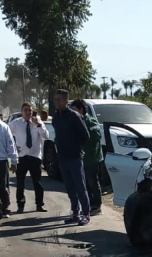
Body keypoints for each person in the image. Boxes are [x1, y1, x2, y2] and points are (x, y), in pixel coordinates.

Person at [52, 89, 91, 226]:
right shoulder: (56, 116)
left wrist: (72, 142)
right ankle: (75, 213)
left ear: (66, 101)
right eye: (55, 99)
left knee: (80, 186)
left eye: (59, 100)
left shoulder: (74, 116)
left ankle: (86, 213)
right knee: (69, 188)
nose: (56, 102)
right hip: (62, 158)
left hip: (74, 157)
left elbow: (85, 136)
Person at [9, 103, 49, 213]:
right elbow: (7, 135)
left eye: (30, 110)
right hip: (21, 157)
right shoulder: (15, 124)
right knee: (20, 183)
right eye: (25, 110)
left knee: (37, 183)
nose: (28, 112)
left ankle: (39, 205)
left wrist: (39, 125)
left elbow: (46, 136)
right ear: (22, 112)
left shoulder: (37, 122)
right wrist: (13, 147)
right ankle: (20, 205)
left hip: (35, 156)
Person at [70, 99, 103, 216]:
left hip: (91, 158)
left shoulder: (91, 121)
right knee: (83, 184)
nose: (72, 112)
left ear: (81, 109)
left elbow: (95, 136)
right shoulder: (74, 121)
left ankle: (96, 206)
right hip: (79, 158)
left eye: (74, 110)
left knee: (93, 182)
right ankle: (87, 205)